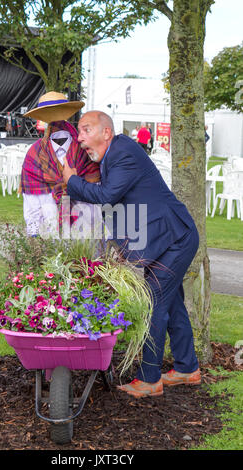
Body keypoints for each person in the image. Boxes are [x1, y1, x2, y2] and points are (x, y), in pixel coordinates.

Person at [62, 110, 201, 399]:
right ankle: (187, 368)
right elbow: (123, 204)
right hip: (166, 239)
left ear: (107, 133)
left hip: (175, 237)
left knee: (153, 303)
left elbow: (107, 196)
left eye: (86, 130)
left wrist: (71, 181)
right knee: (172, 303)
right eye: (79, 131)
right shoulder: (113, 155)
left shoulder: (123, 151)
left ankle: (150, 380)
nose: (80, 137)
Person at [20, 92, 101, 238]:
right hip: (49, 232)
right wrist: (34, 234)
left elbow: (96, 194)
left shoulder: (85, 151)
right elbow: (31, 202)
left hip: (83, 231)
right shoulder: (34, 154)